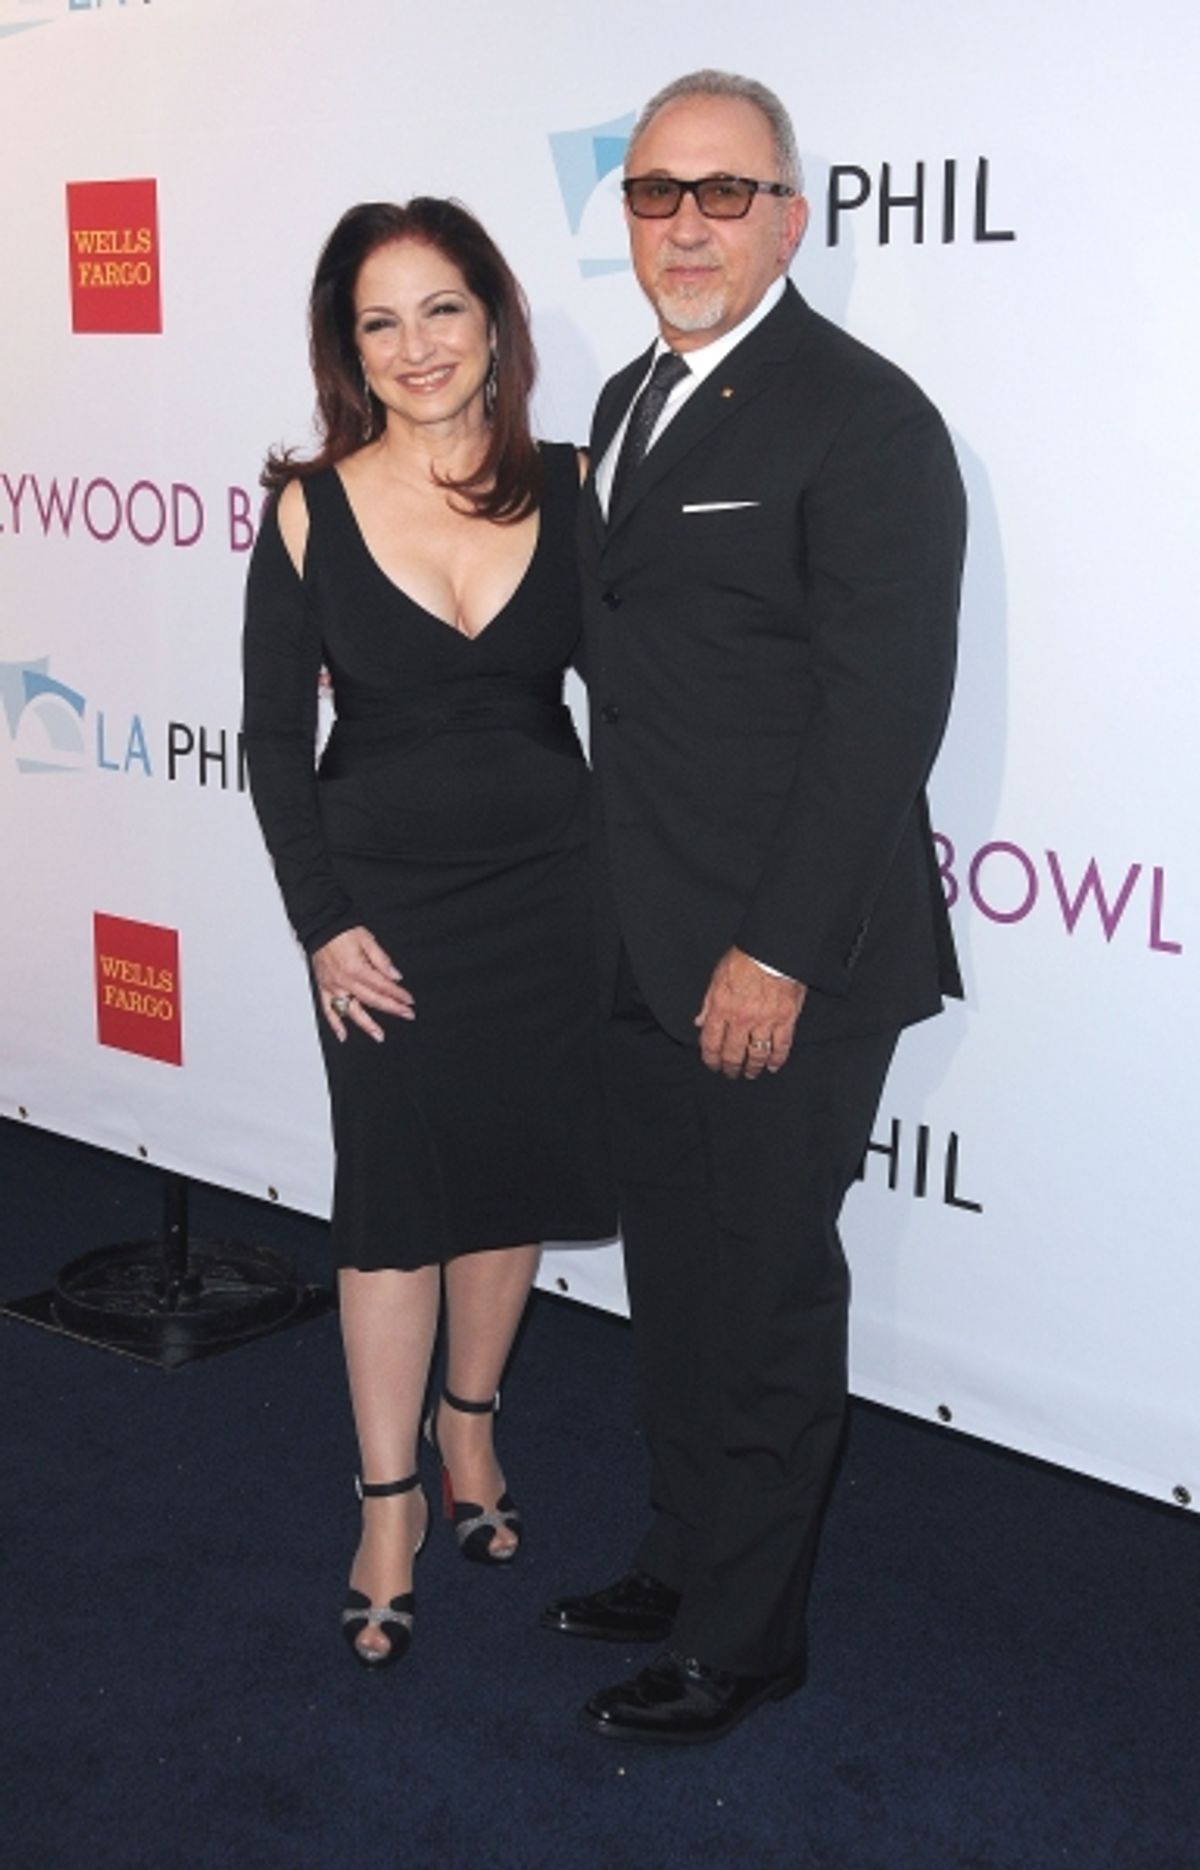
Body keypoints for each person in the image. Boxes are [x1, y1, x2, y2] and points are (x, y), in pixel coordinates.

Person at [541, 71, 966, 1742]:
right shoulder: (630, 395)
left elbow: (881, 717)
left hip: (787, 958)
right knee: (681, 1282)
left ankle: (749, 1633)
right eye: (658, 193)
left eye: (726, 192)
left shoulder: (865, 419)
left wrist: (774, 949)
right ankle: (680, 1555)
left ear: (791, 216)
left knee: (768, 1294)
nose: (689, 223)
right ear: (629, 218)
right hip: (642, 948)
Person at [242, 199, 614, 1669]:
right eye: (378, 320)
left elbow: (645, 709)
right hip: (383, 911)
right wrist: (323, 925)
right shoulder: (308, 508)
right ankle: (386, 1494)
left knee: (506, 1173)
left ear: (494, 320)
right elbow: (277, 742)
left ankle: (474, 1426)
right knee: (395, 1194)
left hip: (550, 891)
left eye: (441, 309)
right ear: (349, 346)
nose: (414, 347)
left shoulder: (580, 491)